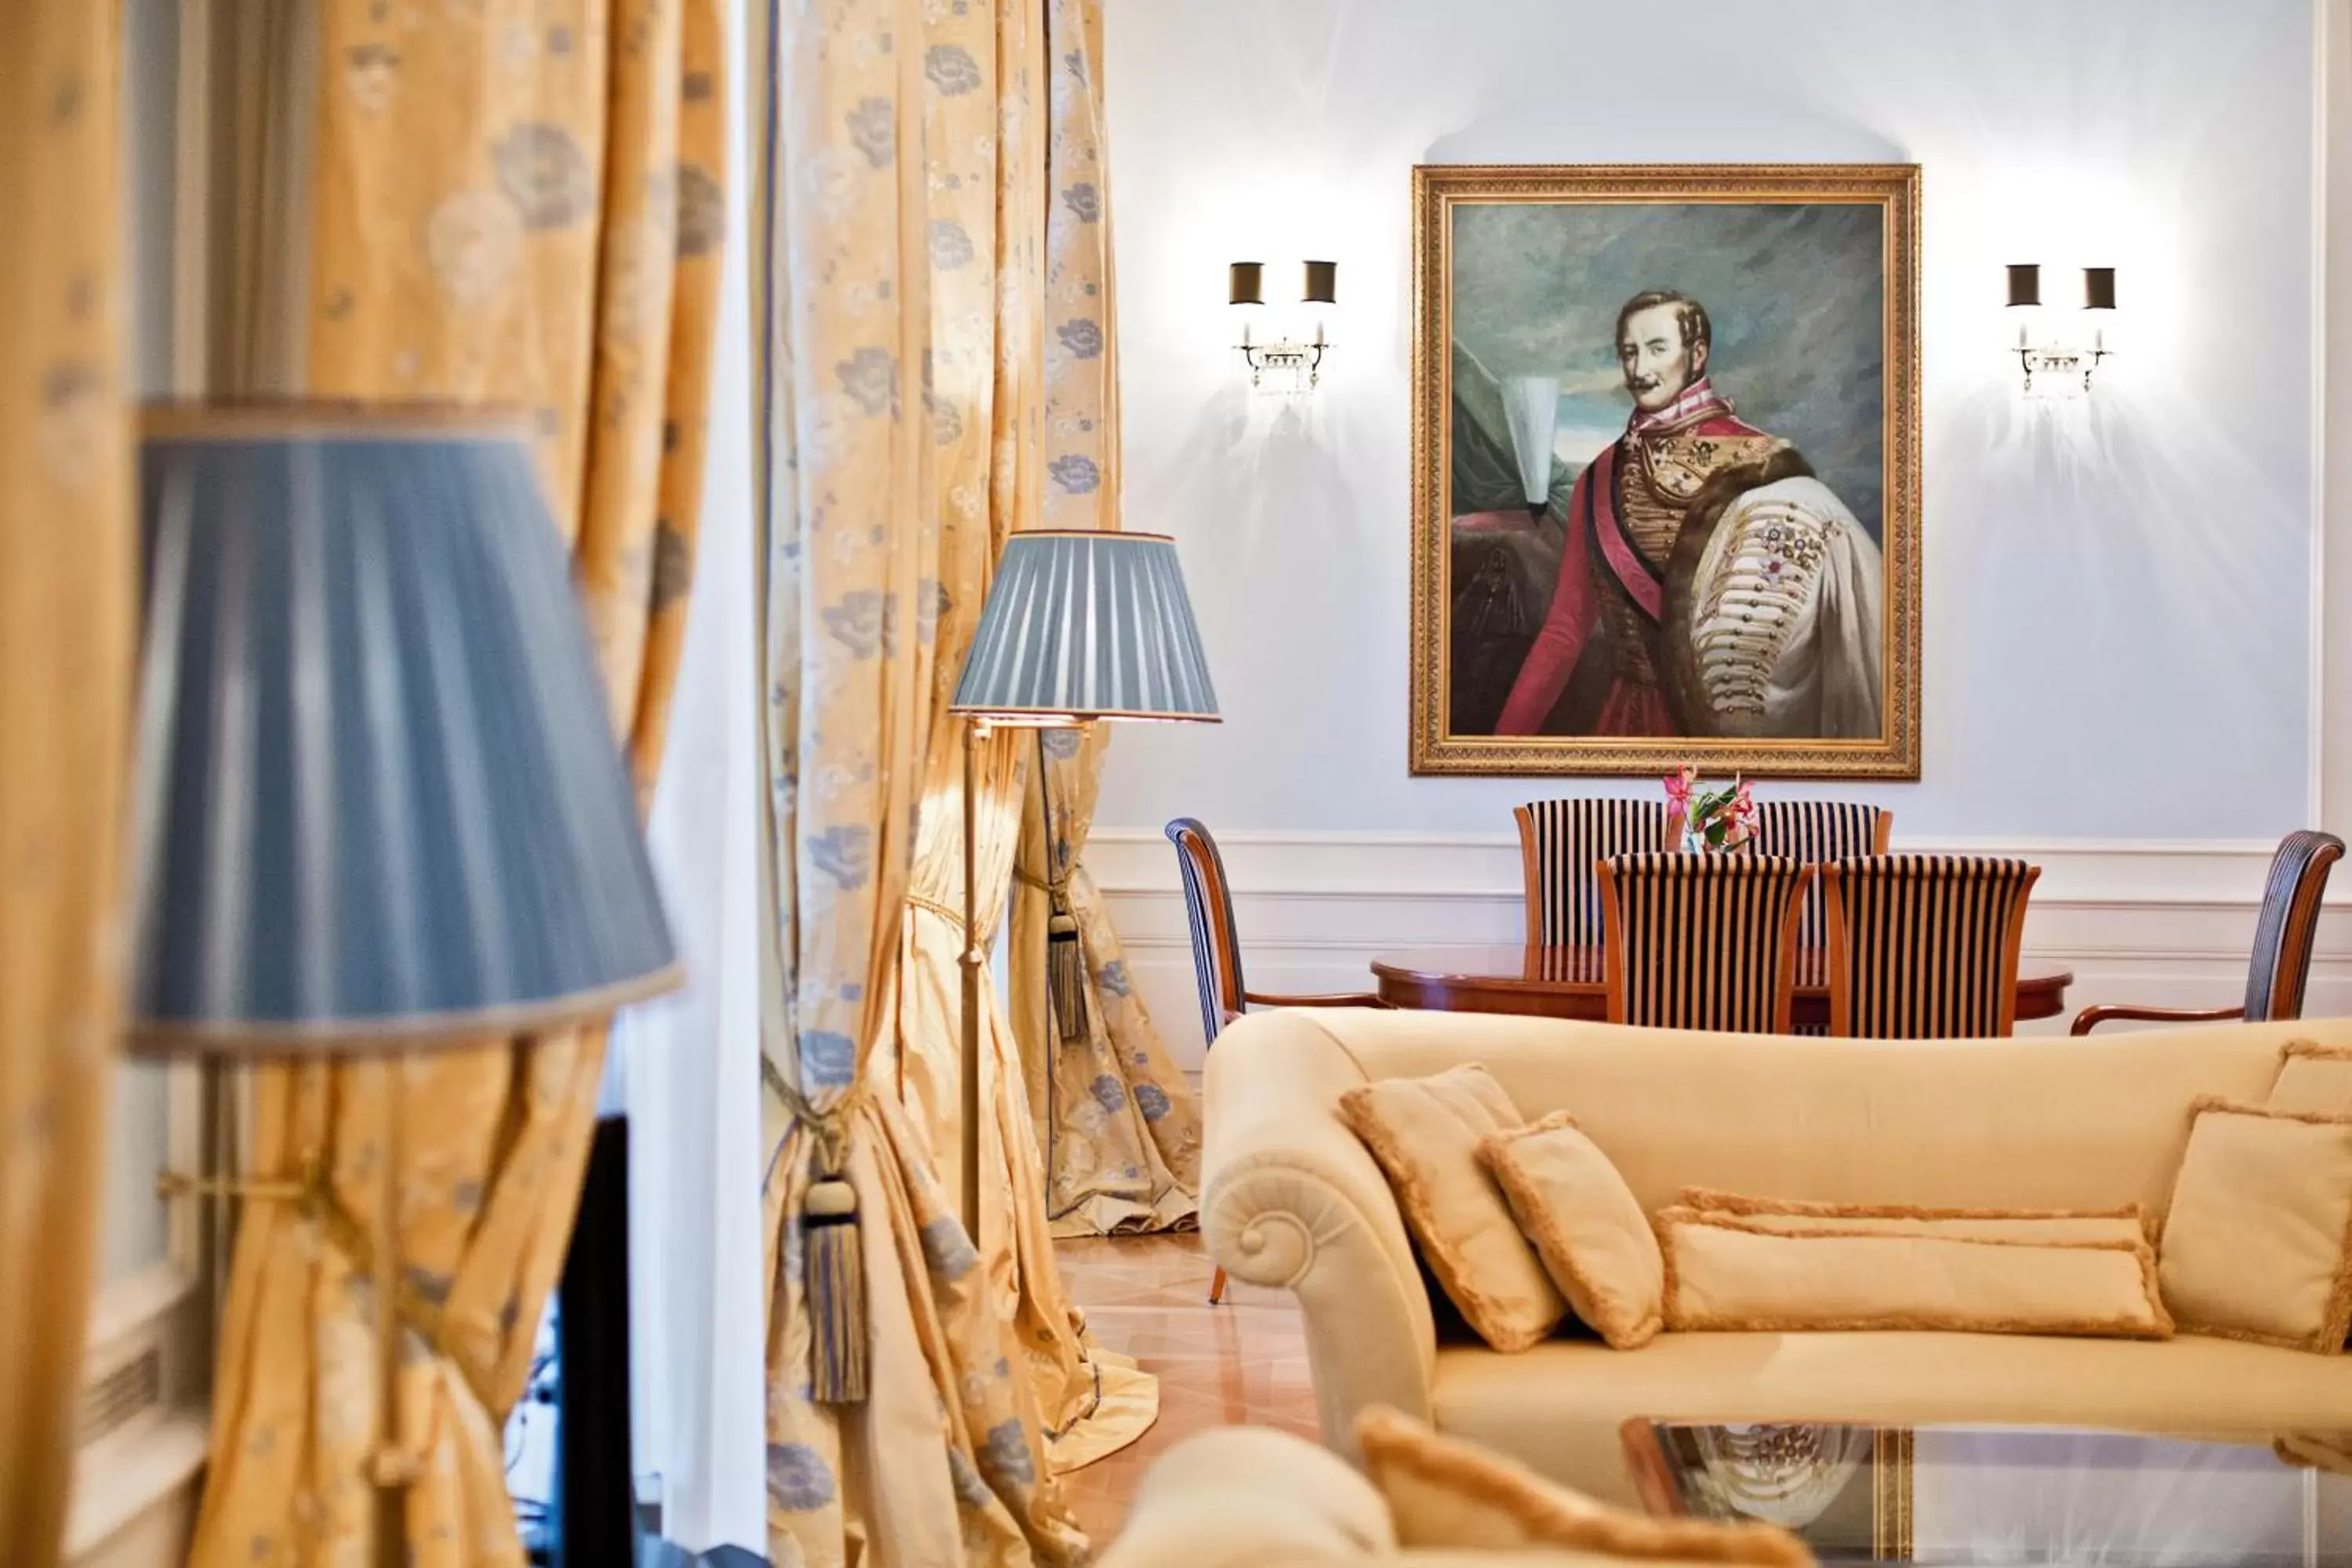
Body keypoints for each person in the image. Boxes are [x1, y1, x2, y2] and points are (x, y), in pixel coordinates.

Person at [1491, 289, 1884, 740]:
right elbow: (1564, 631)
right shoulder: (1599, 476)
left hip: (1728, 728)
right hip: (1628, 725)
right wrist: (1504, 742)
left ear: (1696, 355)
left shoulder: (1761, 464)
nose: (1639, 370)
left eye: (1657, 349)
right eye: (1629, 353)